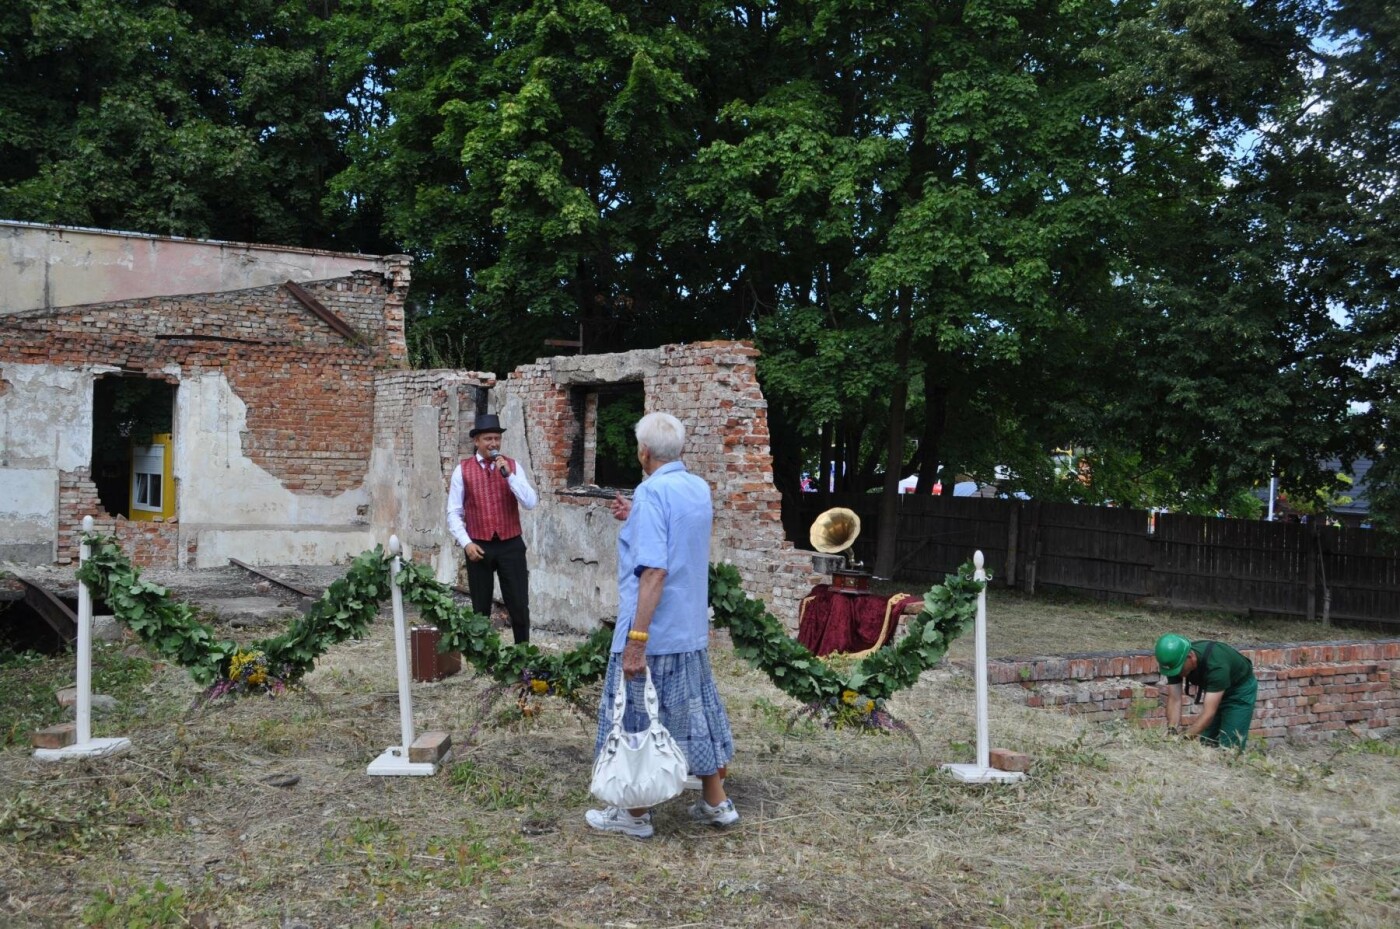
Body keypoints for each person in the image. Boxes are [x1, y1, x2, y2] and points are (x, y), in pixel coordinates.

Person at [585, 412, 737, 839]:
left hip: (654, 631)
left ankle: (633, 816)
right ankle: (715, 802)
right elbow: (679, 534)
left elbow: (653, 571)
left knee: (637, 717)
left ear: (643, 452)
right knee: (694, 716)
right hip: (688, 629)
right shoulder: (695, 488)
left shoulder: (652, 493)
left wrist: (636, 640)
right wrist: (637, 514)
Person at [446, 413, 538, 644]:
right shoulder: (462, 470)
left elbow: (530, 502)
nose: (493, 444)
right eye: (488, 438)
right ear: (476, 441)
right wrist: (466, 543)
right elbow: (453, 513)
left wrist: (509, 476)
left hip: (510, 544)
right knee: (480, 608)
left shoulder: (512, 467)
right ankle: (484, 659)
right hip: (479, 544)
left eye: (496, 438)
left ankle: (523, 658)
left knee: (518, 604)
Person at [1154, 633, 1258, 749]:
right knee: (1207, 740)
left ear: (1191, 657)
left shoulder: (1216, 666)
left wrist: (1183, 740)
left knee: (1231, 745)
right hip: (1216, 688)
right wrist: (1172, 730)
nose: (1177, 674)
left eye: (1179, 669)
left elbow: (1208, 713)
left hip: (1239, 691)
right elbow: (1174, 698)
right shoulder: (1175, 661)